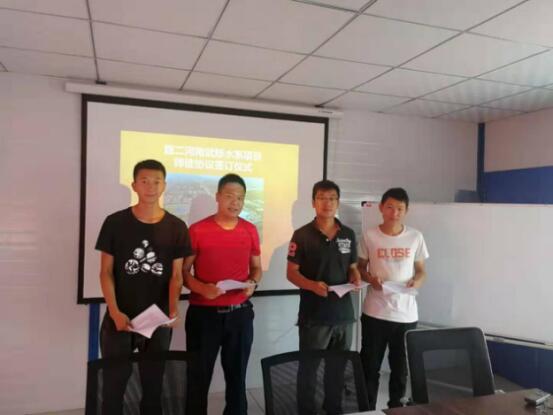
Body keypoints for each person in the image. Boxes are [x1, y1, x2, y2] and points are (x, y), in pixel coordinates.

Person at [95, 159, 192, 415]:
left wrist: (173, 310)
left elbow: (176, 276)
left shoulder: (177, 227)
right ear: (134, 185)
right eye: (145, 181)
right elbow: (105, 272)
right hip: (120, 318)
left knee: (153, 386)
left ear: (164, 186)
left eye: (156, 181)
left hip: (157, 320)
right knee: (113, 387)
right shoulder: (115, 222)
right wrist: (114, 312)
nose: (151, 187)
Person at [182, 173, 262, 415]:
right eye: (229, 196)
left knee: (237, 380)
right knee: (198, 379)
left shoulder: (249, 229)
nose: (235, 202)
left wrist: (253, 282)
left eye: (240, 197)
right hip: (203, 316)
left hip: (239, 315)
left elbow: (256, 268)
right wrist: (202, 289)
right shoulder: (197, 230)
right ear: (217, 197)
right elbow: (183, 272)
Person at [287, 179, 361, 414]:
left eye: (332, 199)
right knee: (309, 370)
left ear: (338, 202)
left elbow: (352, 267)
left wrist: (356, 278)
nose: (327, 203)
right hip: (315, 317)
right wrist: (311, 285)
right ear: (313, 202)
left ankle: (333, 408)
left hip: (343, 315)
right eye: (322, 198)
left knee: (337, 369)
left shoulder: (348, 234)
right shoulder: (302, 235)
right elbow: (291, 273)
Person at [357, 187, 429, 410]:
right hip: (375, 312)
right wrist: (370, 279)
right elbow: (360, 268)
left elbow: (421, 271)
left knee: (400, 369)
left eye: (399, 208)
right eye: (389, 207)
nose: (394, 213)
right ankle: (367, 409)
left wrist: (417, 282)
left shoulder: (415, 236)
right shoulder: (369, 235)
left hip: (405, 315)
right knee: (369, 367)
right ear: (381, 208)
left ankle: (395, 409)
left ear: (406, 210)